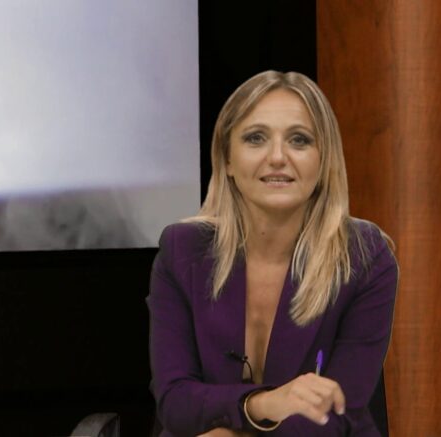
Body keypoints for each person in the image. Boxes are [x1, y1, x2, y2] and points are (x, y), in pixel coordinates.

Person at [147, 70, 398, 436]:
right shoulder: (182, 250)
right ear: (227, 159)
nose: (278, 157)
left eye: (299, 140)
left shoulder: (364, 257)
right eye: (256, 138)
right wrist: (262, 404)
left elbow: (336, 414)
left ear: (324, 161)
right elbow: (175, 402)